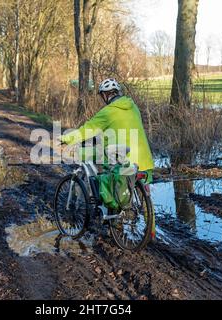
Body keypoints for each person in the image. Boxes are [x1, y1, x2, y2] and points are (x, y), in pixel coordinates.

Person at [60, 78, 156, 238]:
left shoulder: (108, 111)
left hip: (123, 159)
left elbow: (87, 130)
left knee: (110, 186)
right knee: (145, 197)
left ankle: (116, 230)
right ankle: (151, 233)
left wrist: (65, 138)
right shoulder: (134, 107)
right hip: (144, 160)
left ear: (105, 95)